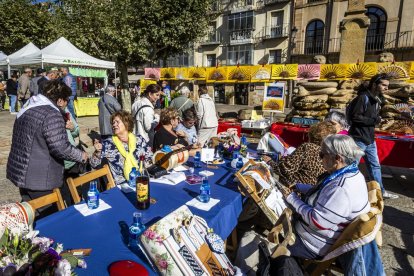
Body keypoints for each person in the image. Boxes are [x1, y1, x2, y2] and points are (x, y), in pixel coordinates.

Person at [283, 134, 370, 259]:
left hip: (312, 245)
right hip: (318, 236)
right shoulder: (352, 173)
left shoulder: (342, 188)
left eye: (322, 155)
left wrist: (291, 198)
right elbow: (326, 194)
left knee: (266, 244)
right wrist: (300, 187)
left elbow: (317, 221)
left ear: (337, 158)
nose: (320, 158)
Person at [7, 80, 88, 202]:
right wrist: (81, 155)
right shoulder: (51, 113)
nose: (67, 103)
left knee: (32, 212)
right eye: (67, 100)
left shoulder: (29, 107)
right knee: (49, 216)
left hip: (23, 173)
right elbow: (60, 147)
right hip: (41, 178)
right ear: (60, 100)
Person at [347, 73, 398, 199]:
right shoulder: (363, 98)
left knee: (375, 166)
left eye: (387, 86)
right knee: (351, 167)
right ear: (374, 84)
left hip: (369, 139)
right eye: (384, 85)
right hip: (358, 139)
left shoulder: (377, 99)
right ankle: (346, 192)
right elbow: (355, 118)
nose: (386, 88)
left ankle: (380, 192)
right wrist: (375, 121)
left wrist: (377, 119)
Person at [90, 110, 153, 187]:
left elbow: (150, 157)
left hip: (143, 180)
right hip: (122, 185)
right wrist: (97, 152)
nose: (114, 125)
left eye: (117, 122)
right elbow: (93, 164)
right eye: (113, 123)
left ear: (126, 123)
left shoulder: (139, 139)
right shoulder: (108, 144)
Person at [264, 121, 337, 187]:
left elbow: (285, 169)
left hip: (296, 191)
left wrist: (270, 162)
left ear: (312, 134)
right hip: (314, 191)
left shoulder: (308, 147)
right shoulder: (331, 151)